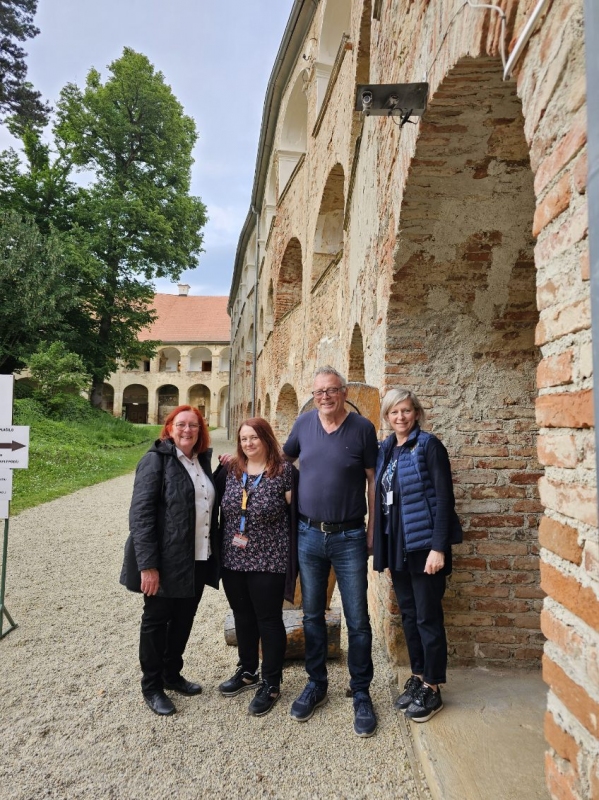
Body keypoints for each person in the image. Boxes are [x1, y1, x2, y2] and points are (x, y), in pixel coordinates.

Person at [283, 366, 379, 738]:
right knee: (312, 615)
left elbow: (372, 480)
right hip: (309, 535)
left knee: (358, 618)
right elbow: (282, 462)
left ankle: (361, 691)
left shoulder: (362, 428)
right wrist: (242, 464)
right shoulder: (303, 424)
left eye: (332, 390)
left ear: (343, 392)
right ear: (314, 395)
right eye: (319, 391)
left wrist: (372, 529)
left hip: (350, 535)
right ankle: (316, 683)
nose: (325, 396)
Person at [120, 405, 219, 716]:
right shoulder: (155, 460)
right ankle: (151, 686)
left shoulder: (201, 461)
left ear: (201, 431)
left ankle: (171, 674)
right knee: (156, 621)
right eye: (181, 424)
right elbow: (141, 516)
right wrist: (148, 565)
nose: (187, 430)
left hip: (198, 557)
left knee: (184, 619)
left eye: (194, 425)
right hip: (165, 559)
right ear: (169, 428)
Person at [373, 388, 463, 722]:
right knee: (409, 615)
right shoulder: (387, 448)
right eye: (394, 412)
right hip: (398, 544)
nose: (401, 417)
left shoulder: (429, 446)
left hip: (425, 546)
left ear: (417, 413)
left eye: (406, 411)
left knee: (427, 617)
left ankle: (433, 688)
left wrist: (438, 548)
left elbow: (444, 498)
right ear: (387, 417)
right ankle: (418, 675)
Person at [216, 417, 296, 717]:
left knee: (269, 619)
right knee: (242, 615)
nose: (249, 443)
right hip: (233, 557)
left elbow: (296, 514)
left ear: (266, 438)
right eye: (244, 438)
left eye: (254, 437)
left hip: (269, 558)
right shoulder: (232, 470)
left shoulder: (283, 472)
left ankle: (271, 682)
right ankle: (248, 670)